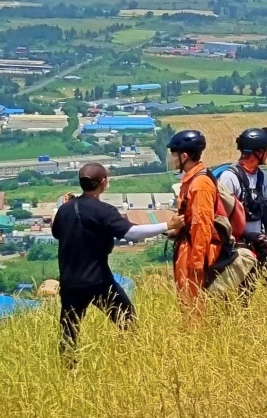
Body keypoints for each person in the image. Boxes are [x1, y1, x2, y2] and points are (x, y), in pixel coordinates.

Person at [51, 161, 163, 352]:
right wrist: (168, 226)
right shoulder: (104, 211)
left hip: (70, 283)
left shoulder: (65, 210)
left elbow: (56, 232)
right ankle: (135, 358)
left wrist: (65, 207)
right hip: (98, 281)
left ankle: (68, 372)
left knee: (69, 332)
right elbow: (131, 233)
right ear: (103, 183)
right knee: (127, 321)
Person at [165, 129, 253, 309]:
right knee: (188, 303)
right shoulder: (195, 179)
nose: (171, 158)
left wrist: (197, 263)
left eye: (173, 154)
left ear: (184, 156)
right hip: (191, 249)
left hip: (198, 254)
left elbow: (202, 225)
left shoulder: (200, 184)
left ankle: (197, 335)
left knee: (195, 305)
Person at [216, 127, 267, 270]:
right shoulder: (229, 177)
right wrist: (249, 235)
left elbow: (266, 209)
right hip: (235, 246)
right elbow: (222, 217)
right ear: (257, 153)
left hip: (258, 244)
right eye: (265, 150)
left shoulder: (262, 177)